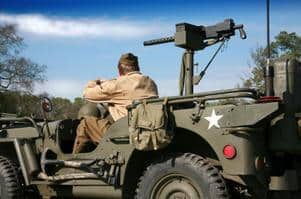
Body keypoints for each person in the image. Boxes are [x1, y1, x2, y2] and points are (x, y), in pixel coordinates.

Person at [73, 53, 158, 153]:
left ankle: (73, 163)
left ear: (119, 70)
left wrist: (97, 82)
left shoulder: (118, 84)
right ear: (137, 68)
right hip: (146, 129)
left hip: (125, 133)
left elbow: (87, 94)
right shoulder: (150, 82)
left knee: (85, 124)